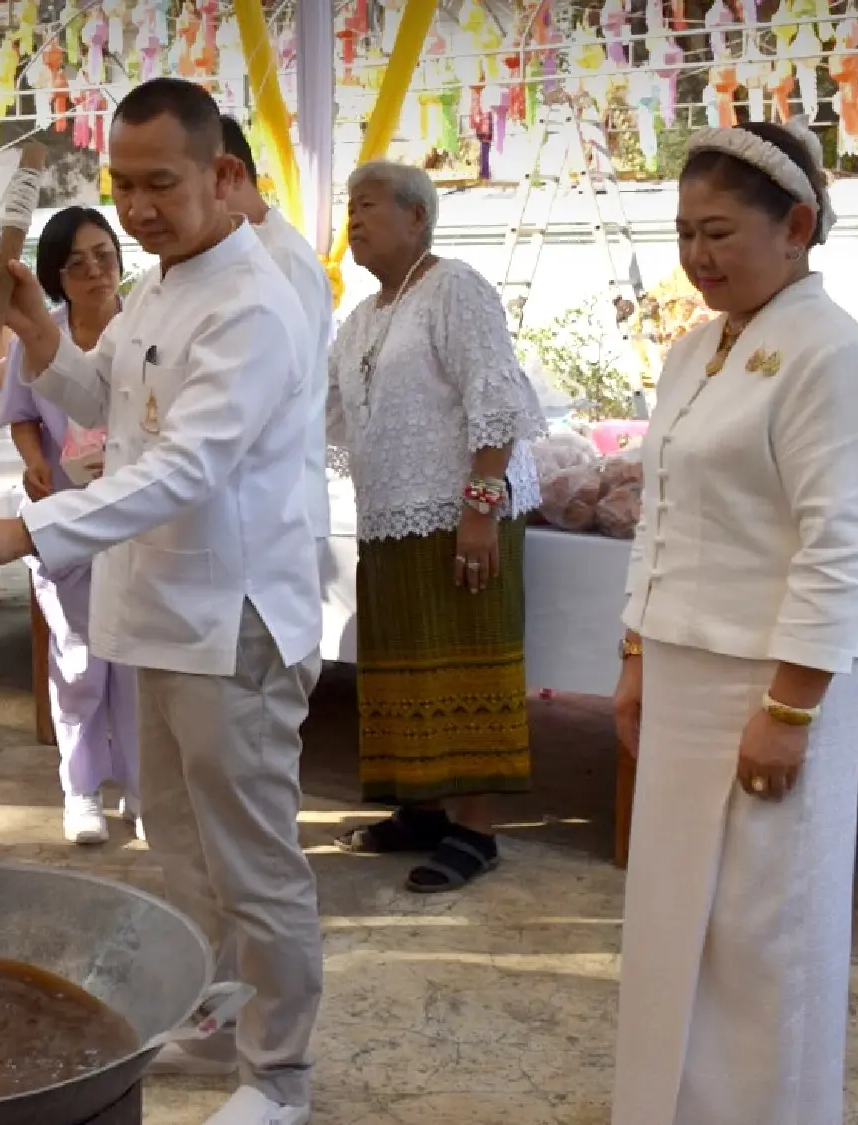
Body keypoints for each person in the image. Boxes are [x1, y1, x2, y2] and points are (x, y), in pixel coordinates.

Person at [0, 78, 322, 1125]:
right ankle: (215, 1011)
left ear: (223, 176)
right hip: (160, 616)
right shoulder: (164, 286)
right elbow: (102, 402)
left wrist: (23, 528)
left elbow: (186, 466)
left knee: (253, 860)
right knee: (180, 849)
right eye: (120, 185)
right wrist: (36, 325)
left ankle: (279, 1075)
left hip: (232, 623)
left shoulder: (252, 301)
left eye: (160, 184)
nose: (134, 208)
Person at [611, 120, 858, 1125]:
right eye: (684, 231)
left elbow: (838, 546)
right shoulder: (693, 349)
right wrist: (637, 650)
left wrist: (788, 708)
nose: (696, 256)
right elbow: (658, 509)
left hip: (768, 687)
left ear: (798, 227)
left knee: (760, 933)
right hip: (685, 676)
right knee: (668, 916)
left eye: (719, 232)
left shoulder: (831, 357)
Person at [324, 160, 545, 894]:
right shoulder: (361, 318)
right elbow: (322, 414)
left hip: (460, 517)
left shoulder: (455, 288)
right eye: (349, 208)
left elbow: (496, 394)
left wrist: (480, 509)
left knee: (462, 661)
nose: (353, 220)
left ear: (417, 218)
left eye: (369, 206)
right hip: (389, 521)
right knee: (398, 664)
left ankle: (475, 831)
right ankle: (419, 809)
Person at [0, 205, 140, 846]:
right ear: (56, 276)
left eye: (104, 254)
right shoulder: (41, 336)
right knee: (79, 660)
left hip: (136, 515)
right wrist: (35, 464)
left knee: (137, 661)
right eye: (77, 262)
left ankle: (142, 791)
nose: (94, 271)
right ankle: (81, 790)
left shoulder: (142, 329)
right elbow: (22, 413)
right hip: (66, 516)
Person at [217, 116, 334, 573]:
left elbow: (271, 391)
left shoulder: (281, 257)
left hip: (277, 508)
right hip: (245, 509)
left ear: (231, 175)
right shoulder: (236, 252)